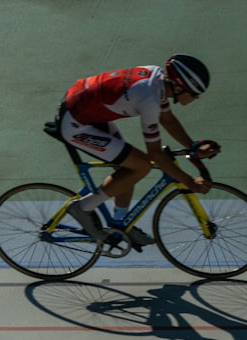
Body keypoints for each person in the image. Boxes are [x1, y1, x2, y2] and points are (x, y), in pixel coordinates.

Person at [59, 54, 219, 245]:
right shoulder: (149, 99)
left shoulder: (157, 78)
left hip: (85, 108)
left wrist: (193, 146)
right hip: (76, 125)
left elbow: (167, 119)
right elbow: (155, 154)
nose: (196, 98)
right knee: (141, 165)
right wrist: (189, 182)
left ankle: (120, 224)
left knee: (129, 168)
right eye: (194, 94)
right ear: (177, 87)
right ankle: (82, 208)